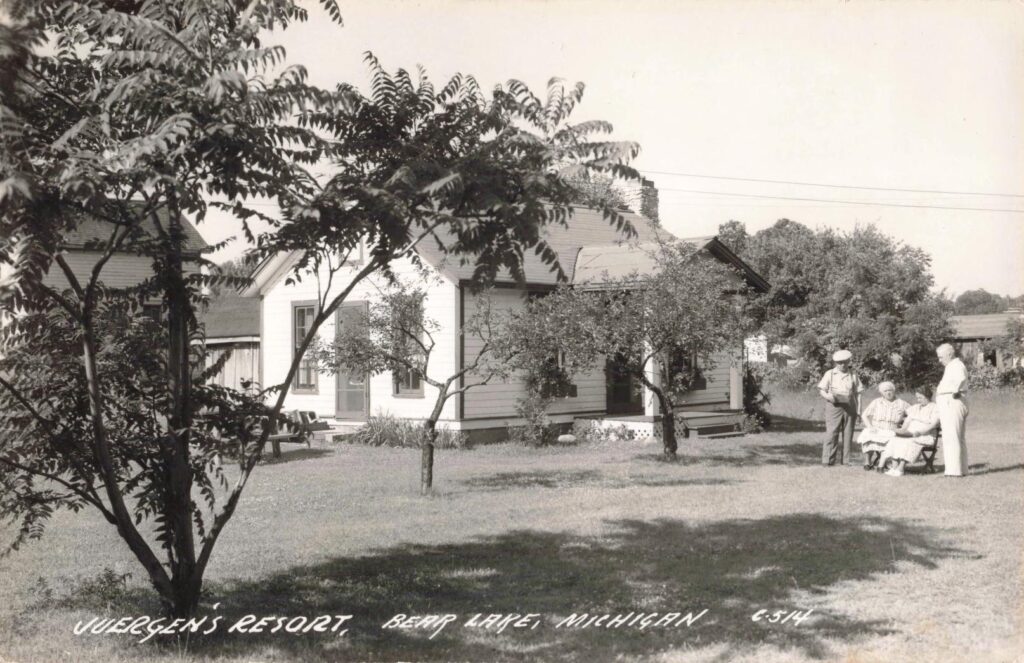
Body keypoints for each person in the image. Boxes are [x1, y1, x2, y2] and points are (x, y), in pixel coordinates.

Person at [876, 385, 941, 477]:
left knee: (909, 442)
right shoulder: (915, 407)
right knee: (895, 439)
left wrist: (920, 432)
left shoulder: (935, 408)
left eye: (920, 398)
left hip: (925, 435)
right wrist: (901, 430)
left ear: (927, 396)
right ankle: (894, 467)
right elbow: (907, 420)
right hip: (910, 434)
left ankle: (900, 469)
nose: (918, 400)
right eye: (917, 398)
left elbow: (933, 424)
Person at [817, 349, 864, 466]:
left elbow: (858, 394)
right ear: (835, 363)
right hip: (834, 405)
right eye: (840, 363)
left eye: (845, 362)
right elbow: (822, 390)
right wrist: (828, 396)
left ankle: (846, 461)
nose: (842, 365)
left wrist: (859, 410)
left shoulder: (853, 374)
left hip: (850, 406)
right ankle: (827, 460)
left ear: (849, 362)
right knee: (832, 432)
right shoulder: (830, 374)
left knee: (848, 433)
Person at [857, 381, 909, 470]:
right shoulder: (876, 402)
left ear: (894, 391)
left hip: (892, 430)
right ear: (881, 393)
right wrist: (870, 426)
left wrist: (904, 418)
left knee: (892, 439)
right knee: (867, 435)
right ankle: (867, 462)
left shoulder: (902, 403)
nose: (888, 393)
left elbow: (914, 415)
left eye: (890, 390)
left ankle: (882, 464)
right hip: (877, 429)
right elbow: (864, 415)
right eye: (885, 391)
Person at [936, 342, 969, 477]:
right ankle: (962, 469)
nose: (939, 360)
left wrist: (955, 390)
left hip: (952, 401)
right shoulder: (952, 366)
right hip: (952, 401)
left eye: (941, 357)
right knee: (957, 437)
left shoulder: (956, 365)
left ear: (949, 354)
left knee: (951, 437)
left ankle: (953, 471)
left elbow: (961, 378)